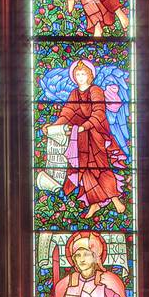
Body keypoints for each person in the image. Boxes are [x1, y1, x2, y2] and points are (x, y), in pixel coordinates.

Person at [42, 59, 126, 218]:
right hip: (79, 139)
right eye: (77, 74)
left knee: (101, 169)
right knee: (85, 172)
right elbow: (67, 113)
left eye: (83, 74)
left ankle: (115, 200)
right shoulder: (74, 93)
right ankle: (94, 204)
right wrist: (53, 126)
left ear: (90, 75)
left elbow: (99, 113)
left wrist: (84, 127)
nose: (80, 77)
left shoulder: (95, 91)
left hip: (95, 136)